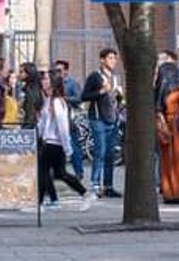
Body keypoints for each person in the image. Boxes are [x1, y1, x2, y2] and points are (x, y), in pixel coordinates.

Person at [38, 72, 94, 210]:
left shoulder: (57, 102)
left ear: (52, 83)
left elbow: (63, 126)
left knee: (43, 171)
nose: (43, 81)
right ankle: (82, 194)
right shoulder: (49, 100)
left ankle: (42, 201)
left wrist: (67, 146)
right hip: (50, 141)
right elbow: (43, 123)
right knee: (59, 173)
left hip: (53, 142)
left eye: (46, 79)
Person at [81, 48, 123, 198]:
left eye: (114, 58)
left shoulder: (115, 78)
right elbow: (84, 96)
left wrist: (119, 96)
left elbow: (115, 100)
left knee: (111, 154)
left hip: (112, 118)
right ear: (102, 60)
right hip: (98, 119)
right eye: (110, 58)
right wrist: (101, 91)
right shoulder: (95, 76)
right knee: (100, 152)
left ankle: (109, 186)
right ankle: (95, 185)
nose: (113, 61)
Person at [155, 62, 179, 203]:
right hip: (177, 127)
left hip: (164, 125)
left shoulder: (159, 91)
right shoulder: (177, 93)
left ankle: (169, 191)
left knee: (166, 161)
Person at [54, 60, 87, 177]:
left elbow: (79, 98)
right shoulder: (53, 83)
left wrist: (64, 99)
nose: (57, 73)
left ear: (66, 71)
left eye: (60, 70)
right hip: (54, 120)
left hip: (68, 119)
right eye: (56, 70)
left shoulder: (72, 84)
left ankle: (79, 172)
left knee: (73, 147)